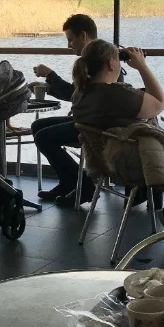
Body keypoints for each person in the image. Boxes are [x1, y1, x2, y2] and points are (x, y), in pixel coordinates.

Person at [30, 13, 98, 204]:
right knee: (38, 126)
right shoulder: (93, 58)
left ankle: (83, 184)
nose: (69, 45)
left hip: (93, 123)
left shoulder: (96, 60)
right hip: (87, 117)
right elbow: (77, 93)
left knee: (43, 136)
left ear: (83, 36)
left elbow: (75, 94)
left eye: (70, 39)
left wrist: (50, 74)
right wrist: (48, 87)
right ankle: (69, 181)